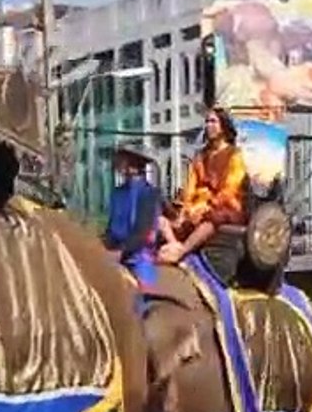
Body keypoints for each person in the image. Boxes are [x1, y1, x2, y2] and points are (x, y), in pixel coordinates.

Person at [157, 107, 248, 265]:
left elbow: (229, 189)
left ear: (224, 126)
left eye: (213, 121)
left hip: (226, 207)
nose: (208, 125)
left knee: (212, 219)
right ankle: (173, 244)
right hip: (198, 206)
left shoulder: (234, 155)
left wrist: (207, 206)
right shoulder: (200, 156)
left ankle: (182, 251)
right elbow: (190, 188)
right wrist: (186, 209)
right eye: (207, 122)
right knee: (161, 219)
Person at [102, 145, 166, 290]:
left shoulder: (149, 193)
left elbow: (142, 231)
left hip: (138, 255)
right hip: (115, 253)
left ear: (134, 165)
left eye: (123, 160)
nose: (117, 163)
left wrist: (121, 252)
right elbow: (111, 229)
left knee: (144, 296)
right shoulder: (117, 193)